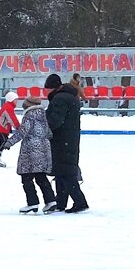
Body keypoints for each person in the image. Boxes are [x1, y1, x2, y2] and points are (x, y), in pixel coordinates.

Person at [2, 95, 57, 213]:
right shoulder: (43, 115)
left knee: (26, 177)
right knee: (41, 176)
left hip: (31, 150)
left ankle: (32, 203)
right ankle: (51, 201)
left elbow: (22, 132)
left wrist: (9, 143)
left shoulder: (29, 115)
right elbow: (49, 133)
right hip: (44, 148)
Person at [44, 73, 89, 213]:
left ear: (53, 87)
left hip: (62, 140)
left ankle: (80, 202)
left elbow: (56, 120)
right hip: (69, 139)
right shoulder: (69, 96)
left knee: (66, 173)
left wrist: (44, 127)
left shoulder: (60, 99)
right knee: (61, 171)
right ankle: (61, 202)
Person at [0, 91, 20, 168]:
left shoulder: (8, 106)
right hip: (0, 128)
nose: (17, 101)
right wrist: (18, 127)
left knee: (4, 142)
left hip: (2, 127)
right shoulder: (8, 107)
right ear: (11, 100)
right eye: (15, 100)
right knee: (4, 142)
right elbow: (12, 119)